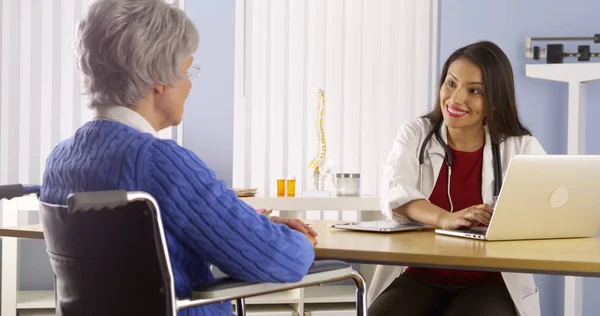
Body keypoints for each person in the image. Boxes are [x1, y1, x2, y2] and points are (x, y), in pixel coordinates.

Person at [40, 0, 317, 315]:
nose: (188, 85)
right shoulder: (159, 163)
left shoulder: (60, 161)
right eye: (187, 70)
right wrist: (301, 243)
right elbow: (281, 260)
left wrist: (252, 225)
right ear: (160, 78)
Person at [367, 41, 545, 316]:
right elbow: (395, 193)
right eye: (451, 83)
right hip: (420, 275)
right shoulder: (416, 134)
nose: (456, 98)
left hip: (489, 281)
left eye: (474, 91)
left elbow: (549, 211)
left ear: (495, 99)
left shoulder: (520, 147)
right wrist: (445, 218)